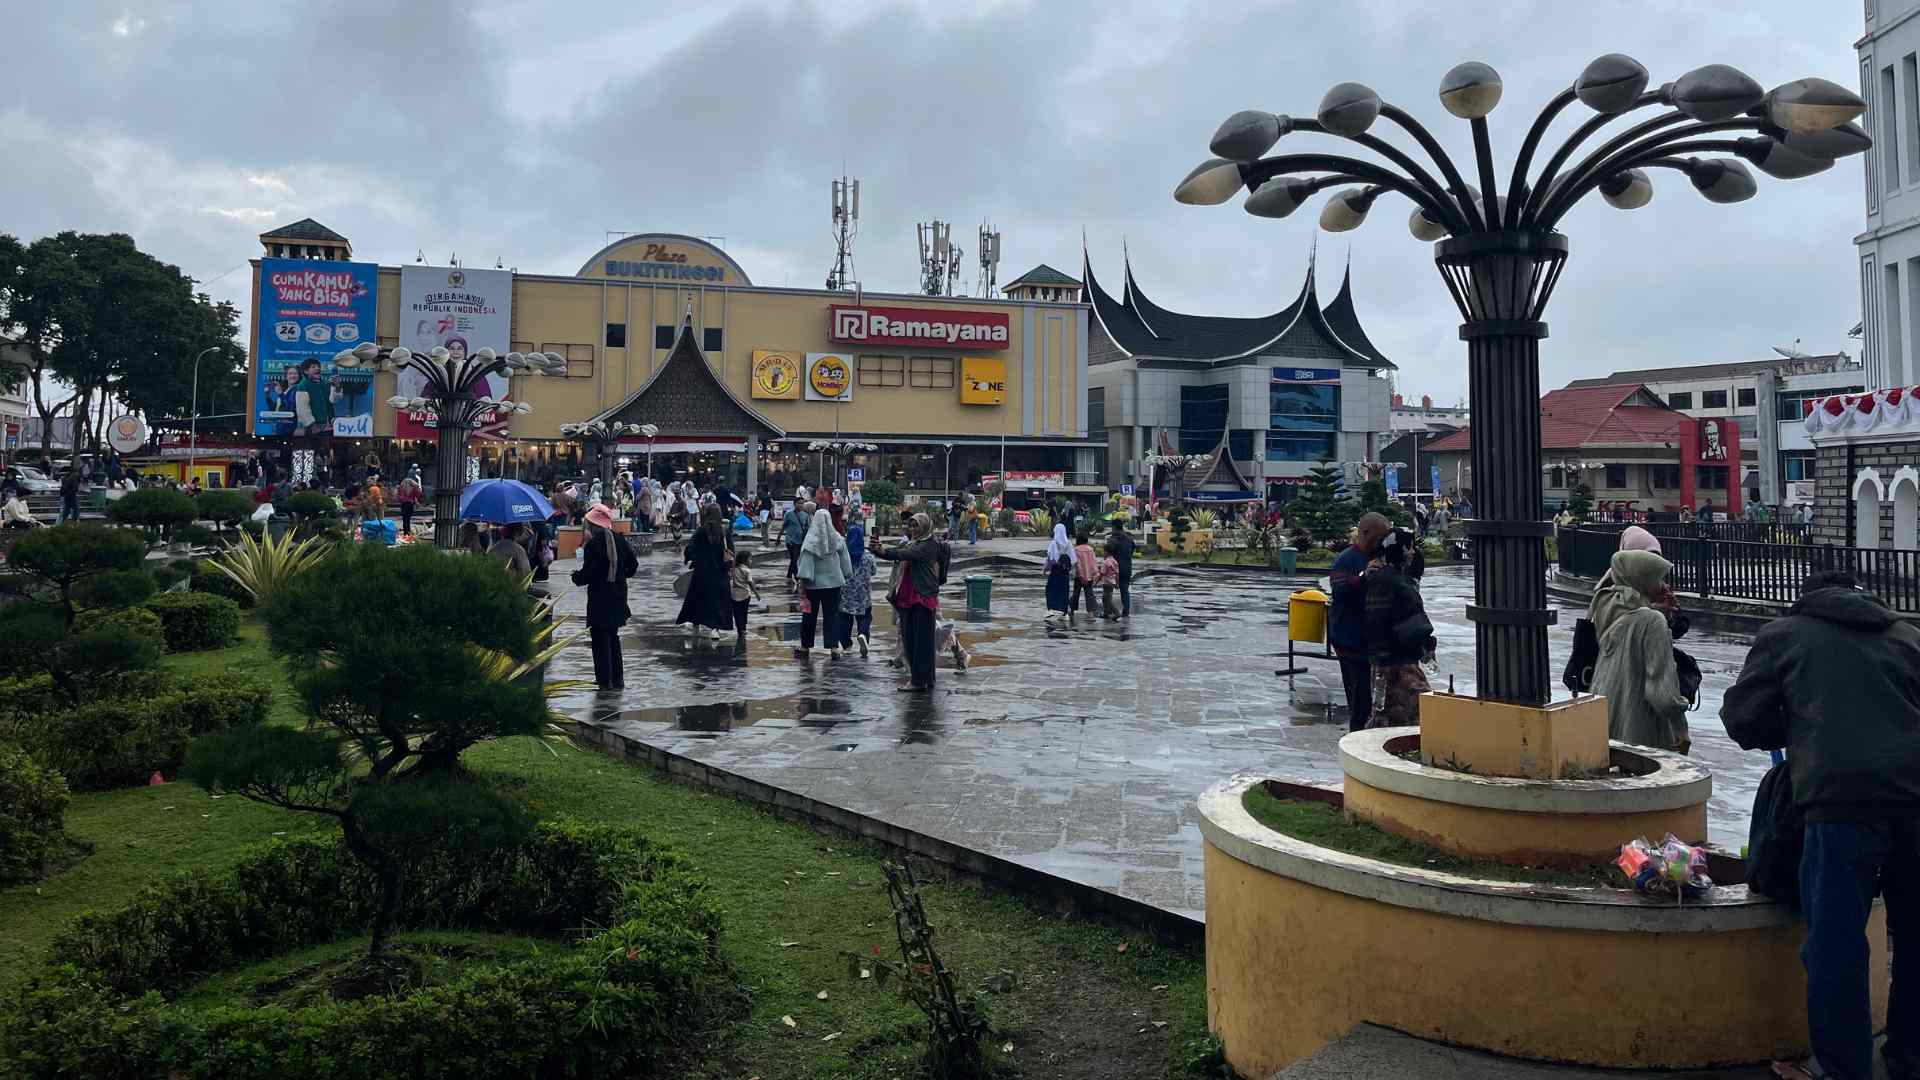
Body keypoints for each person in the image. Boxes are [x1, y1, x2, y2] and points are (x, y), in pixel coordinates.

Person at [1723, 573, 1920, 1080]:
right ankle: (1909, 1057)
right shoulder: (1907, 636)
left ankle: (1843, 1071)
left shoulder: (1785, 634)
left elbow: (1744, 719)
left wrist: (1796, 725)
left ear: (1806, 599)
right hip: (1915, 804)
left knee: (1836, 945)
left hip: (1839, 808)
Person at [1588, 548, 1691, 753]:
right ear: (1644, 579)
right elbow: (1662, 692)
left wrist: (1663, 616)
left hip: (1603, 717)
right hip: (1638, 725)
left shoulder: (1611, 608)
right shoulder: (1651, 621)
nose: (1664, 585)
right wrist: (1681, 727)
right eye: (1658, 578)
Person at [1364, 528, 1435, 728]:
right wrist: (1426, 645)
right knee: (1416, 713)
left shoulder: (1383, 578)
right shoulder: (1393, 582)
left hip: (1387, 662)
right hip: (1398, 663)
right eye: (1409, 547)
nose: (1412, 552)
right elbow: (1409, 623)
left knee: (1387, 713)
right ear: (1400, 549)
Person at [1330, 512, 1390, 732]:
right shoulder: (1346, 559)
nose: (1382, 541)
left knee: (1372, 700)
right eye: (1379, 536)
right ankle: (1355, 741)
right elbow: (1340, 589)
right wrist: (1364, 576)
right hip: (1350, 642)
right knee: (1359, 701)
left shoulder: (1380, 557)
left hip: (1369, 642)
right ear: (1365, 533)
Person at [876, 513, 946, 691]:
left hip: (920, 598)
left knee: (918, 642)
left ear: (925, 527)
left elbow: (903, 554)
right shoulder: (917, 543)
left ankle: (917, 681)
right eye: (911, 525)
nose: (912, 529)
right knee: (914, 640)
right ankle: (925, 679)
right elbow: (902, 552)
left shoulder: (926, 546)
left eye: (916, 526)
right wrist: (880, 550)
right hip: (909, 597)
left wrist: (883, 551)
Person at [572, 503, 637, 689]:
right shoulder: (620, 540)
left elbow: (589, 574)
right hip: (618, 595)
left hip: (600, 597)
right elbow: (633, 566)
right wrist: (620, 575)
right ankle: (618, 679)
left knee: (600, 639)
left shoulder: (593, 545)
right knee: (613, 637)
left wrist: (576, 577)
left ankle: (604, 681)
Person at [795, 507, 852, 657]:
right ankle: (833, 647)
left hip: (813, 585)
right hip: (833, 584)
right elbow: (845, 559)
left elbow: (806, 564)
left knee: (809, 616)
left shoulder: (810, 540)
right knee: (832, 615)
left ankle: (805, 646)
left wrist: (804, 579)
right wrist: (846, 574)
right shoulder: (837, 538)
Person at [677, 504, 737, 643]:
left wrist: (692, 559)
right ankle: (715, 629)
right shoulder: (724, 531)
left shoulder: (701, 531)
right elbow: (731, 550)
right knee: (718, 602)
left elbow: (691, 548)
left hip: (702, 573)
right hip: (720, 573)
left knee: (697, 600)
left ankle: (695, 626)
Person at [837, 522, 878, 657]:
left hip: (845, 593)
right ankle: (863, 635)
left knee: (844, 619)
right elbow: (873, 572)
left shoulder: (843, 555)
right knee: (864, 617)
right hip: (863, 593)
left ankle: (846, 644)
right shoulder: (868, 556)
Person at [728, 548, 761, 646]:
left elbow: (729, 576)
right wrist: (757, 594)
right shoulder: (747, 570)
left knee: (737, 613)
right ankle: (743, 629)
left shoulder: (734, 569)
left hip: (734, 595)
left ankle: (739, 629)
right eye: (750, 559)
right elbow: (751, 583)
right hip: (745, 595)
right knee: (744, 612)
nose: (751, 561)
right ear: (745, 560)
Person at [1044, 523, 1073, 622]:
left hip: (1055, 571)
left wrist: (1045, 569)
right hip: (1065, 572)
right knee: (1064, 591)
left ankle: (1051, 609)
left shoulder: (1053, 543)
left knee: (1050, 589)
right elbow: (1073, 559)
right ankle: (1064, 613)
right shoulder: (1068, 543)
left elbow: (1049, 558)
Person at [1107, 518, 1136, 618]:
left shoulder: (1112, 539)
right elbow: (1132, 549)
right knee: (1124, 590)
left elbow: (1108, 553)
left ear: (1114, 527)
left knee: (1108, 591)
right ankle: (1126, 611)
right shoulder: (1129, 538)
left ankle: (1109, 611)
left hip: (1113, 569)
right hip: (1127, 567)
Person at [781, 498, 812, 583]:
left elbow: (807, 528)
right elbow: (784, 526)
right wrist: (778, 538)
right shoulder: (788, 514)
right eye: (799, 503)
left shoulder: (805, 515)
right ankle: (796, 575)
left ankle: (789, 574)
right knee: (794, 558)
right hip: (790, 540)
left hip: (800, 540)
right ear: (794, 504)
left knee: (794, 558)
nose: (800, 505)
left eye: (802, 503)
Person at [1070, 530, 1098, 620]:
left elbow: (1077, 564)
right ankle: (1091, 614)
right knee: (1089, 594)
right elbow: (1094, 563)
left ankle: (1071, 611)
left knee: (1076, 593)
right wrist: (1094, 574)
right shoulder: (1090, 549)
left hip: (1079, 576)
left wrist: (1081, 575)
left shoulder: (1076, 549)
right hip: (1089, 576)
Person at [395, 467, 422, 537]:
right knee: (408, 519)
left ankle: (405, 533)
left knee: (404, 519)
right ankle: (408, 533)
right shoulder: (413, 487)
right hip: (410, 504)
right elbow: (418, 494)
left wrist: (401, 499)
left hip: (404, 504)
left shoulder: (401, 487)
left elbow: (398, 496)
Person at [1097, 542, 1121, 620]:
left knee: (1108, 599)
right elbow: (1117, 573)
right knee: (1105, 598)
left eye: (1103, 551)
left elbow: (1101, 574)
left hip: (1106, 583)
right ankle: (1106, 613)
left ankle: (1116, 612)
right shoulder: (1114, 561)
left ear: (1106, 552)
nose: (1103, 553)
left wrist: (1095, 582)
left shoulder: (1105, 562)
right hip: (1112, 582)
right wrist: (1117, 583)